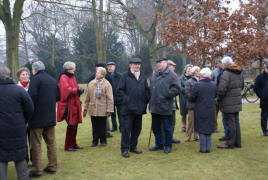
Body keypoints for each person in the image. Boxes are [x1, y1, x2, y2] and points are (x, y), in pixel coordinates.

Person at [0, 65, 34, 180]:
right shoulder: (19, 90)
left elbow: (30, 108)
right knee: (20, 156)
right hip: (18, 129)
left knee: (1, 158)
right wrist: (22, 121)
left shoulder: (19, 90)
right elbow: (30, 108)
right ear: (9, 75)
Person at [28, 61, 60, 178]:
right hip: (50, 116)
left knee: (36, 144)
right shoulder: (52, 80)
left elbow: (31, 98)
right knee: (51, 143)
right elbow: (58, 97)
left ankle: (37, 169)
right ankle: (52, 166)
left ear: (34, 70)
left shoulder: (35, 80)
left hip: (36, 118)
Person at [117, 58, 150, 158]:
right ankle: (125, 149)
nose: (137, 66)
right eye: (135, 64)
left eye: (138, 64)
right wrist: (126, 100)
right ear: (130, 65)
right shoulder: (124, 76)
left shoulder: (143, 77)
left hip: (139, 109)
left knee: (137, 130)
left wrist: (147, 100)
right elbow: (120, 91)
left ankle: (133, 147)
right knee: (126, 130)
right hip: (127, 109)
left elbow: (146, 90)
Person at [149, 57, 180, 154]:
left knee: (167, 127)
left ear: (166, 63)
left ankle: (168, 146)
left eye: (160, 62)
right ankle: (159, 144)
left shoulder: (172, 75)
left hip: (165, 106)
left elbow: (177, 89)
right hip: (154, 106)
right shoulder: (155, 74)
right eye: (157, 63)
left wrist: (166, 94)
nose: (158, 64)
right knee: (155, 127)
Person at [57, 61, 84, 152]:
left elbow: (74, 87)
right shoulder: (63, 77)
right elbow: (66, 89)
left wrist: (78, 90)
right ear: (69, 68)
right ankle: (68, 145)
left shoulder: (72, 76)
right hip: (68, 105)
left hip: (75, 103)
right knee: (71, 125)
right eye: (73, 68)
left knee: (75, 125)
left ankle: (74, 143)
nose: (74, 69)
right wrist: (77, 90)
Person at [83, 67, 114, 147]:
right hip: (92, 109)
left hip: (102, 109)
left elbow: (110, 98)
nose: (96, 73)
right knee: (95, 126)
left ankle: (103, 141)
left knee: (102, 127)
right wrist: (85, 109)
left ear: (102, 74)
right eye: (96, 72)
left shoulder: (107, 84)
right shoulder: (91, 83)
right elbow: (87, 98)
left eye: (98, 72)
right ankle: (94, 141)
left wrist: (109, 109)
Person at [217, 56, 243, 149]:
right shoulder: (238, 73)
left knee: (230, 122)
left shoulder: (226, 73)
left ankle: (230, 143)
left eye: (222, 64)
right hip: (236, 100)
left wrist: (218, 98)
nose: (221, 65)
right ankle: (238, 142)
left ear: (225, 64)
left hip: (228, 102)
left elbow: (222, 89)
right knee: (236, 122)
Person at [190, 68, 217, 153]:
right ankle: (208, 148)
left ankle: (203, 148)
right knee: (209, 128)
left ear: (201, 75)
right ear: (209, 75)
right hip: (210, 109)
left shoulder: (198, 85)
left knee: (201, 128)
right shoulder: (213, 84)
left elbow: (192, 97)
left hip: (200, 109)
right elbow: (216, 94)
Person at [16, 67, 32, 163]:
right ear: (19, 77)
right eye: (23, 74)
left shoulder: (33, 86)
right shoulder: (17, 88)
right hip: (21, 118)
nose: (25, 76)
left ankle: (34, 159)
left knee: (33, 140)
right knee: (23, 141)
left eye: (26, 74)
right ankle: (25, 160)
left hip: (32, 117)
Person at [185, 66, 200, 142]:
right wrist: (195, 98)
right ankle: (188, 136)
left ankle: (196, 136)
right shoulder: (189, 82)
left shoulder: (200, 81)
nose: (199, 72)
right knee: (191, 122)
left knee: (198, 122)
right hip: (192, 105)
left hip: (199, 105)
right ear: (194, 72)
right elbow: (187, 94)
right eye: (197, 71)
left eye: (199, 71)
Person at [254, 58, 268, 136]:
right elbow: (256, 88)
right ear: (265, 67)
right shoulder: (260, 77)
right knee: (264, 117)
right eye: (267, 68)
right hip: (265, 101)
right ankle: (265, 131)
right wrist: (261, 96)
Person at [167, 60, 180, 144]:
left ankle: (170, 137)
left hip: (173, 104)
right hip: (166, 104)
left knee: (173, 122)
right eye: (173, 66)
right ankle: (166, 139)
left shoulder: (174, 76)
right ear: (168, 66)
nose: (174, 68)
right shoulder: (166, 76)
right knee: (166, 123)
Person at [107, 61, 122, 132]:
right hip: (110, 98)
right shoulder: (106, 76)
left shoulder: (120, 75)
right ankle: (114, 127)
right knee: (112, 114)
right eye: (108, 66)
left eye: (111, 66)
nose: (109, 68)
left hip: (119, 97)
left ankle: (121, 127)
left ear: (114, 67)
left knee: (120, 113)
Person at [178, 64, 193, 132]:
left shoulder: (193, 78)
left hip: (191, 97)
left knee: (191, 114)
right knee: (183, 113)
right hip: (183, 98)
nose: (189, 70)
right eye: (188, 68)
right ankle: (183, 127)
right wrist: (187, 91)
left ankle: (191, 127)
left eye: (191, 69)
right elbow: (180, 88)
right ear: (186, 70)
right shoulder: (181, 78)